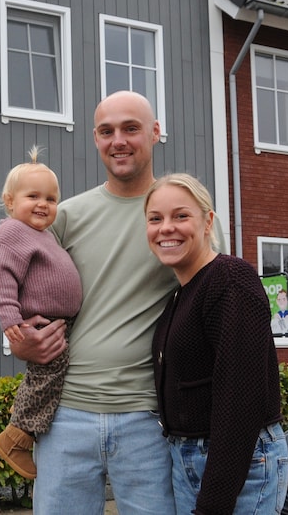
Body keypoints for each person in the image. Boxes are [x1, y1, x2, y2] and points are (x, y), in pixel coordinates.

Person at [9, 90, 178, 515]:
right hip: (65, 417)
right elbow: (20, 287)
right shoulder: (65, 216)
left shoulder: (177, 217)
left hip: (148, 419)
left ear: (156, 132)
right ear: (96, 139)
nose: (118, 140)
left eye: (131, 128)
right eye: (107, 131)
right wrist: (19, 340)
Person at [144, 173, 288, 515]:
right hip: (190, 457)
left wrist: (215, 502)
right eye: (155, 219)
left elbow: (242, 395)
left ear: (207, 222)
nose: (166, 228)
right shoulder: (183, 293)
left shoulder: (229, 279)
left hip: (240, 462)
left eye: (181, 216)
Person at [0, 146, 83, 479]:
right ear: (10, 201)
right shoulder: (13, 232)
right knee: (45, 379)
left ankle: (20, 436)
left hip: (57, 321)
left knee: (49, 380)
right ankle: (16, 438)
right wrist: (9, 318)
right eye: (33, 196)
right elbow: (3, 277)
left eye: (51, 199)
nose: (43, 204)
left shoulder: (42, 235)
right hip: (42, 323)